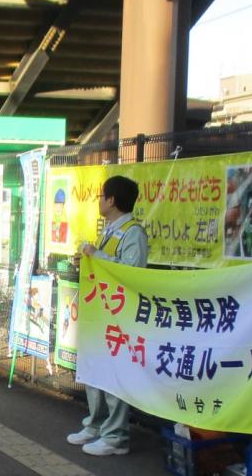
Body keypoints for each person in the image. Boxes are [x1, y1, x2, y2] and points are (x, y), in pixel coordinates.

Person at [67, 175, 148, 457]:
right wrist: (87, 260)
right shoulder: (110, 230)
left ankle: (116, 436)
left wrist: (96, 255)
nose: (99, 200)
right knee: (95, 370)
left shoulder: (133, 232)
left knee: (113, 374)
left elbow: (132, 271)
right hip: (100, 313)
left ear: (112, 200)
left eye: (102, 196)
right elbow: (103, 262)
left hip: (118, 315)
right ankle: (96, 424)